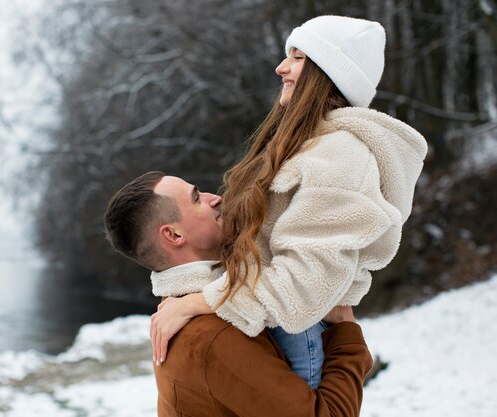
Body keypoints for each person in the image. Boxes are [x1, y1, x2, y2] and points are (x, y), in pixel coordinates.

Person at [149, 15, 428, 389]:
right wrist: (183, 287)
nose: (281, 67)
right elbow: (256, 248)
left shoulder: (340, 154)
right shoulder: (306, 146)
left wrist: (198, 303)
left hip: (299, 335)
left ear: (326, 73)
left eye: (297, 58)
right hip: (275, 325)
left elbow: (304, 284)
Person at [103, 171, 373, 417]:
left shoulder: (193, 306)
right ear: (173, 234)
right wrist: (345, 333)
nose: (216, 199)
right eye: (196, 199)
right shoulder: (212, 336)